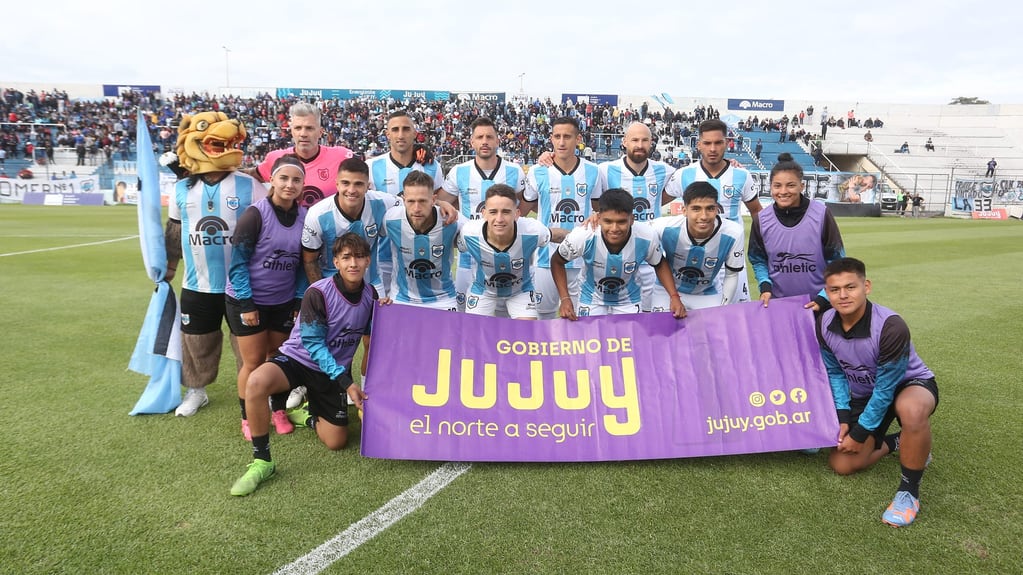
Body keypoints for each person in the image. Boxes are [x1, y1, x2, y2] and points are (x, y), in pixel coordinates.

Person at [230, 233, 379, 496]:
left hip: (331, 374)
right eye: (346, 258)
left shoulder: (371, 295)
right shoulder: (318, 292)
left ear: (368, 260)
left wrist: (385, 312)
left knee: (336, 442)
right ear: (336, 262)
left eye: (358, 257)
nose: (353, 263)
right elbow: (313, 344)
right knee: (256, 382)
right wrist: (346, 381)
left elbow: (374, 335)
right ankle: (262, 461)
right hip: (299, 361)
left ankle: (309, 416)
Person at [817, 257, 938, 527]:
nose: (843, 295)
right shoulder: (823, 322)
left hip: (908, 386)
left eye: (851, 287)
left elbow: (886, 388)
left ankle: (909, 492)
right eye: (834, 290)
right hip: (864, 393)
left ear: (866, 286)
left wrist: (860, 433)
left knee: (912, 410)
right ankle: (900, 442)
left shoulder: (891, 326)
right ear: (827, 292)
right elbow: (836, 373)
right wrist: (844, 418)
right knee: (842, 464)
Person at [164, 112, 256, 416]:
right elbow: (175, 229)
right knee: (196, 340)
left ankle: (257, 389)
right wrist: (169, 266)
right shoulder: (181, 188)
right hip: (197, 282)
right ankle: (196, 390)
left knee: (248, 343)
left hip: (241, 283)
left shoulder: (250, 185)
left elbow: (266, 228)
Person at [226, 154, 308, 440]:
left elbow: (301, 265)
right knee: (253, 361)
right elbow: (237, 264)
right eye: (283, 178)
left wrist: (299, 300)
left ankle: (278, 410)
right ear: (271, 180)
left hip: (282, 301)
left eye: (296, 179)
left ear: (303, 184)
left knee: (278, 357)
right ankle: (247, 417)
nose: (289, 184)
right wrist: (247, 303)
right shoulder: (255, 215)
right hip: (247, 300)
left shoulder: (304, 217)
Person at [665, 119, 762, 304]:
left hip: (731, 259)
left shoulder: (742, 175)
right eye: (707, 143)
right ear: (699, 144)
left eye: (718, 143)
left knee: (735, 318)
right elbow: (655, 201)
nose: (713, 148)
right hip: (694, 258)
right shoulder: (684, 174)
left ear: (726, 143)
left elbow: (757, 211)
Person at [519, 116, 606, 319]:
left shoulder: (594, 172)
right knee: (543, 315)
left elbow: (599, 208)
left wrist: (597, 216)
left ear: (578, 139)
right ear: (550, 138)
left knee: (579, 318)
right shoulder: (537, 171)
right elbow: (523, 209)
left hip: (582, 257)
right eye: (557, 136)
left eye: (567, 136)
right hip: (544, 257)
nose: (561, 142)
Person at [552, 188, 685, 319]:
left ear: (632, 219)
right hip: (590, 298)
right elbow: (557, 261)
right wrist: (564, 298)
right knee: (591, 339)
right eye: (608, 221)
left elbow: (659, 263)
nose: (614, 229)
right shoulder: (583, 235)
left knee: (630, 339)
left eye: (621, 222)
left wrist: (674, 296)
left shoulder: (646, 237)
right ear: (598, 218)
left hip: (629, 300)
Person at [439, 117, 527, 312]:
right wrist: (445, 204)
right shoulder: (459, 171)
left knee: (505, 319)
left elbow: (524, 206)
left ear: (498, 140)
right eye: (479, 137)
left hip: (506, 257)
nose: (485, 141)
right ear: (472, 142)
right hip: (468, 259)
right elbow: (440, 202)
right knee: (466, 318)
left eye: (489, 137)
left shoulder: (514, 171)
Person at [598, 122, 678, 311]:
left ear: (651, 143)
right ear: (624, 142)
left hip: (649, 255)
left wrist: (730, 163)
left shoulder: (665, 170)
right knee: (609, 313)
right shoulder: (605, 170)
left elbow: (694, 176)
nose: (639, 145)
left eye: (644, 140)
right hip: (615, 253)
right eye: (634, 140)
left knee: (646, 316)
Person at [748, 153, 845, 306]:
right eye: (777, 185)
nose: (783, 191)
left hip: (819, 305)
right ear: (770, 187)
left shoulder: (821, 214)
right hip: (779, 306)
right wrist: (765, 286)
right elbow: (758, 259)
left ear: (802, 186)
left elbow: (837, 261)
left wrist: (823, 298)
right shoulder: (761, 219)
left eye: (791, 185)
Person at [456, 184, 556, 319]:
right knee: (475, 336)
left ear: (517, 214)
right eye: (493, 212)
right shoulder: (469, 233)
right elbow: (449, 243)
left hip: (521, 290)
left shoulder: (533, 231)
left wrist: (585, 232)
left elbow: (557, 234)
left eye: (506, 212)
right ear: (484, 213)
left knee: (526, 335)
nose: (499, 219)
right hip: (483, 291)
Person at [649, 182, 745, 310]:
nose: (703, 216)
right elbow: (635, 232)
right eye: (696, 209)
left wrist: (724, 307)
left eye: (710, 209)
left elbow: (732, 275)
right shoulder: (663, 227)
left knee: (712, 330)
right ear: (684, 210)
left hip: (707, 293)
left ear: (717, 209)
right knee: (662, 329)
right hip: (665, 291)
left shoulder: (734, 233)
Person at [380, 170, 465, 310]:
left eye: (422, 201)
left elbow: (480, 234)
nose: (417, 208)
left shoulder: (452, 219)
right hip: (402, 298)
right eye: (411, 201)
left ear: (433, 200)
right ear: (403, 199)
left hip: (443, 299)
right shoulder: (390, 219)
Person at [249, 102, 355, 208]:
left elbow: (367, 178)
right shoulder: (276, 159)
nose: (303, 134)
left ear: (320, 132)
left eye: (309, 128)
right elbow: (249, 176)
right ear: (291, 131)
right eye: (298, 128)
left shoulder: (341, 156)